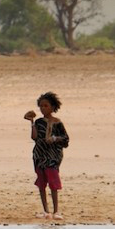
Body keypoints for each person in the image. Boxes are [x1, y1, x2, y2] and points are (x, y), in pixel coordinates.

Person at [24, 91, 69, 220]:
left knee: (53, 183)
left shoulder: (58, 123)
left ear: (53, 107)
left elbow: (66, 139)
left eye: (46, 106)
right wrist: (31, 122)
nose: (43, 108)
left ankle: (56, 211)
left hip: (53, 157)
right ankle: (46, 211)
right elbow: (34, 137)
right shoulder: (38, 122)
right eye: (41, 106)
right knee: (42, 183)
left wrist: (54, 138)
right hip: (39, 155)